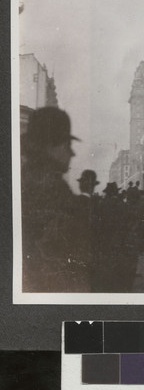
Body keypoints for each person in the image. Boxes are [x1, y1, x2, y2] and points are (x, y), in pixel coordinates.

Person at [21, 107, 91, 292]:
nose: (72, 153)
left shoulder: (26, 178)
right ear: (50, 146)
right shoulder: (52, 189)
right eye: (67, 145)